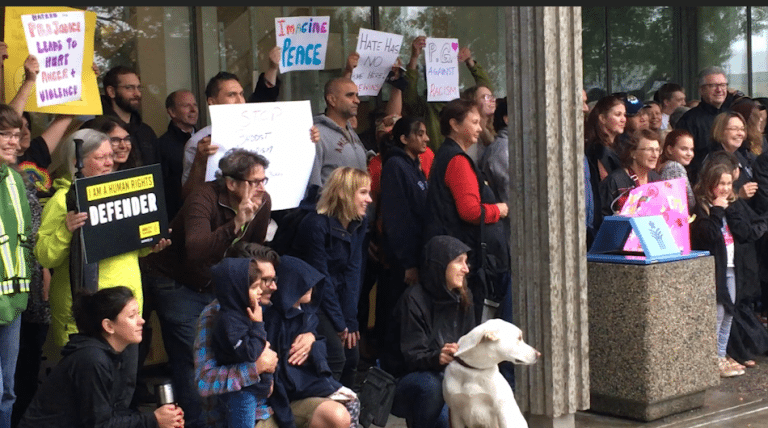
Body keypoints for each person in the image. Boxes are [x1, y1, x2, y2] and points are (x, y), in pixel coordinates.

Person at [140, 147, 272, 428]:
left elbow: (252, 251)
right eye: (255, 182)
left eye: (264, 180)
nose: (261, 187)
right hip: (176, 279)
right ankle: (196, 423)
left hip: (219, 285)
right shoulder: (203, 197)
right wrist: (236, 223)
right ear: (231, 183)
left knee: (222, 353)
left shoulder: (263, 201)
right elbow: (196, 250)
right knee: (192, 358)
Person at [34, 129, 170, 363]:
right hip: (85, 313)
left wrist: (150, 244)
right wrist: (65, 230)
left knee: (125, 388)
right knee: (90, 388)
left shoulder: (122, 192)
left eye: (110, 155)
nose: (110, 162)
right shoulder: (63, 199)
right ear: (77, 162)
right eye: (100, 158)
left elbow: (129, 244)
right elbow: (45, 257)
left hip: (125, 311)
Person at [17, 286, 185, 428]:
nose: (141, 321)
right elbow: (99, 424)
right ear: (108, 326)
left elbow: (113, 413)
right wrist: (153, 419)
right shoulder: (92, 359)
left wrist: (162, 418)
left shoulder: (113, 353)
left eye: (139, 314)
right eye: (132, 316)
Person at [423, 98, 509, 323]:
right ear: (454, 124)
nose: (480, 128)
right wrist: (498, 210)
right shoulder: (457, 161)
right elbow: (471, 211)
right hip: (461, 255)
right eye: (474, 122)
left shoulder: (446, 155)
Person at [380, 235, 477, 428]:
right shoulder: (413, 300)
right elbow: (411, 357)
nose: (466, 269)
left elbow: (470, 340)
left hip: (450, 375)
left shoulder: (464, 297)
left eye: (466, 263)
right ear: (440, 265)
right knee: (432, 388)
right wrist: (437, 357)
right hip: (408, 380)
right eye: (459, 262)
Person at [290, 167, 371, 388]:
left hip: (337, 296)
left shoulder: (358, 223)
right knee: (336, 355)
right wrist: (340, 324)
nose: (369, 199)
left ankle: (349, 413)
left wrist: (350, 320)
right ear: (345, 193)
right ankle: (325, 410)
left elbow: (354, 271)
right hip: (310, 299)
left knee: (353, 355)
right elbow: (321, 278)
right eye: (363, 193)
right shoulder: (315, 225)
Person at [689, 160, 768, 377]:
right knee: (718, 313)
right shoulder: (703, 207)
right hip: (717, 268)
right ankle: (713, 358)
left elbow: (742, 232)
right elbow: (709, 235)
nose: (725, 188)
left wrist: (728, 210)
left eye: (727, 183)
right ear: (709, 184)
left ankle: (721, 355)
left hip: (733, 266)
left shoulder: (730, 207)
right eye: (720, 183)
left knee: (729, 315)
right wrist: (717, 210)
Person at [264, 255, 358, 428]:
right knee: (350, 400)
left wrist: (312, 340)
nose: (311, 289)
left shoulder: (307, 315)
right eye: (303, 284)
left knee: (350, 402)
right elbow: (283, 365)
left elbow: (317, 347)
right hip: (295, 384)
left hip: (308, 379)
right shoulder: (276, 321)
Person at [377, 116, 430, 346]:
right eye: (419, 133)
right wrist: (408, 262)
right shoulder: (395, 166)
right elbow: (397, 218)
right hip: (401, 260)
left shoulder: (413, 166)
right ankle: (390, 367)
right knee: (396, 311)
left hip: (415, 254)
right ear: (403, 138)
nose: (426, 138)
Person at [209, 255, 277, 428]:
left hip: (252, 390)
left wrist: (267, 380)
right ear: (237, 290)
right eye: (254, 287)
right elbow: (251, 352)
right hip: (240, 393)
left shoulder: (244, 312)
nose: (260, 291)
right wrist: (258, 324)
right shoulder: (229, 321)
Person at [0, 105, 33, 428]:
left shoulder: (15, 180)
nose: (15, 142)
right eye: (5, 135)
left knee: (7, 390)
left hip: (13, 301)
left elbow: (25, 240)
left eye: (16, 134)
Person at [402, 36, 493, 152]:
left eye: (447, 72)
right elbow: (409, 97)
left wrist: (469, 61)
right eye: (437, 73)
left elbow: (485, 90)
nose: (443, 78)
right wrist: (414, 57)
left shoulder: (463, 104)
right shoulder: (425, 107)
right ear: (428, 79)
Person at [675, 66, 731, 186]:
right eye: (713, 85)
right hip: (702, 184)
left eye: (723, 85)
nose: (719, 89)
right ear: (701, 90)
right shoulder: (689, 120)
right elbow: (683, 159)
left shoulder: (732, 116)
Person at [308, 77, 368, 189]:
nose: (357, 100)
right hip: (333, 205)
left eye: (357, 95)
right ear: (332, 100)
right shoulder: (316, 135)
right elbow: (313, 184)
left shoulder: (351, 132)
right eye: (350, 95)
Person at [101, 65, 159, 166]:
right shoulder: (99, 130)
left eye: (139, 88)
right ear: (111, 92)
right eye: (129, 88)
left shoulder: (146, 132)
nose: (137, 93)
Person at [584, 95, 626, 232]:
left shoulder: (618, 147)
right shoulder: (599, 150)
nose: (623, 119)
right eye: (618, 114)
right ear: (602, 118)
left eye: (624, 115)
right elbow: (607, 184)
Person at [598, 128, 662, 217]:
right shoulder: (614, 181)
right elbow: (601, 219)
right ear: (633, 153)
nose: (655, 155)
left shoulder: (657, 180)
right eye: (649, 150)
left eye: (657, 150)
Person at [156, 89, 199, 222]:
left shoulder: (206, 138)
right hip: (179, 217)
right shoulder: (162, 145)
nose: (193, 110)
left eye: (195, 105)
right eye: (186, 106)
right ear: (172, 112)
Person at [709, 111, 757, 199]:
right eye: (734, 129)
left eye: (742, 129)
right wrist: (739, 195)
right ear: (721, 131)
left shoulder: (741, 155)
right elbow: (712, 198)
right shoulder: (714, 160)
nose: (740, 133)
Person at [657, 129, 696, 212]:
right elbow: (678, 205)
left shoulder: (667, 165)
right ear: (670, 149)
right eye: (684, 149)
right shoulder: (674, 168)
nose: (689, 153)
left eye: (691, 149)